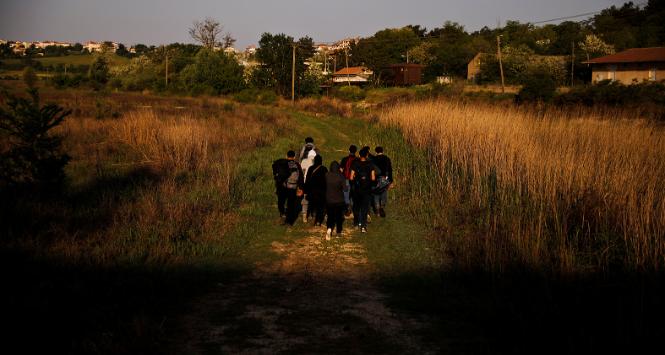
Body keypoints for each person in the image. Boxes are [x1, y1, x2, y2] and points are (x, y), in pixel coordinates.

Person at [350, 148, 376, 233]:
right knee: (365, 208)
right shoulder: (370, 164)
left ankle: (356, 223)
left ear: (359, 155)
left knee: (356, 207)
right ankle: (363, 226)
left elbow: (351, 177)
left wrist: (355, 181)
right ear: (367, 155)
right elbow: (373, 178)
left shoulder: (355, 163)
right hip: (367, 189)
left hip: (357, 189)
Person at [325, 161, 348, 239]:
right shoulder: (340, 176)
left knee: (330, 216)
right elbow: (345, 189)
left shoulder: (327, 175)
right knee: (339, 217)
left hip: (329, 199)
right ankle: (338, 232)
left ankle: (329, 229)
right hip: (339, 200)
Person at [305, 155, 328, 226]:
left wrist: (306, 191)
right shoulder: (324, 169)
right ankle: (318, 221)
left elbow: (307, 180)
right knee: (320, 207)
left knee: (312, 204)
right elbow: (327, 180)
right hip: (321, 192)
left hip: (312, 191)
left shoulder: (311, 168)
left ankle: (312, 215)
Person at [283, 150, 304, 225]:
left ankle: (286, 219)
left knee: (286, 202)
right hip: (294, 186)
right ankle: (291, 220)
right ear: (294, 157)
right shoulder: (297, 164)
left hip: (285, 186)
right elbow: (301, 176)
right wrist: (301, 187)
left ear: (286, 156)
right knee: (292, 203)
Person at [372, 146, 393, 218]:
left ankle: (377, 210)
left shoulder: (374, 159)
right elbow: (390, 170)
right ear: (382, 151)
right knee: (384, 192)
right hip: (385, 179)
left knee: (376, 194)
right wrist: (391, 181)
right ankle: (382, 206)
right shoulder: (387, 159)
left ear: (376, 152)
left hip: (376, 179)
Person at [340, 145, 357, 216]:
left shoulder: (345, 159)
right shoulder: (357, 159)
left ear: (349, 150)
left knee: (346, 195)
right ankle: (352, 207)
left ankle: (347, 207)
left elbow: (341, 170)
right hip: (354, 180)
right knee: (353, 194)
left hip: (346, 179)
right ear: (356, 151)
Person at [300, 149, 317, 223]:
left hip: (305, 182)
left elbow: (302, 172)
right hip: (313, 183)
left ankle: (304, 215)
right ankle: (312, 214)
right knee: (313, 198)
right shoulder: (316, 163)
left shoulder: (304, 161)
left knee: (305, 199)